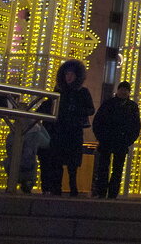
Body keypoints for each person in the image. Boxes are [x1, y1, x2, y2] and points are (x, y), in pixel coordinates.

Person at [42, 59, 94, 196]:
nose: (69, 77)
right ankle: (57, 188)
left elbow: (90, 109)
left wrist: (77, 110)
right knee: (57, 161)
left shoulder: (82, 92)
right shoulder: (59, 92)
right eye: (67, 74)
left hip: (74, 130)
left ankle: (73, 187)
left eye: (71, 74)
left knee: (72, 164)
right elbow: (48, 106)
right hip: (59, 130)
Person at [91, 81, 141, 198]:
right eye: (122, 89)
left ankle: (110, 192)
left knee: (115, 169)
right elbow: (98, 122)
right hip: (110, 141)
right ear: (118, 90)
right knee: (106, 168)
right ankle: (104, 191)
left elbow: (136, 126)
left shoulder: (114, 104)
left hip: (117, 141)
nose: (123, 92)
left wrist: (128, 140)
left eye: (125, 90)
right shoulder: (127, 106)